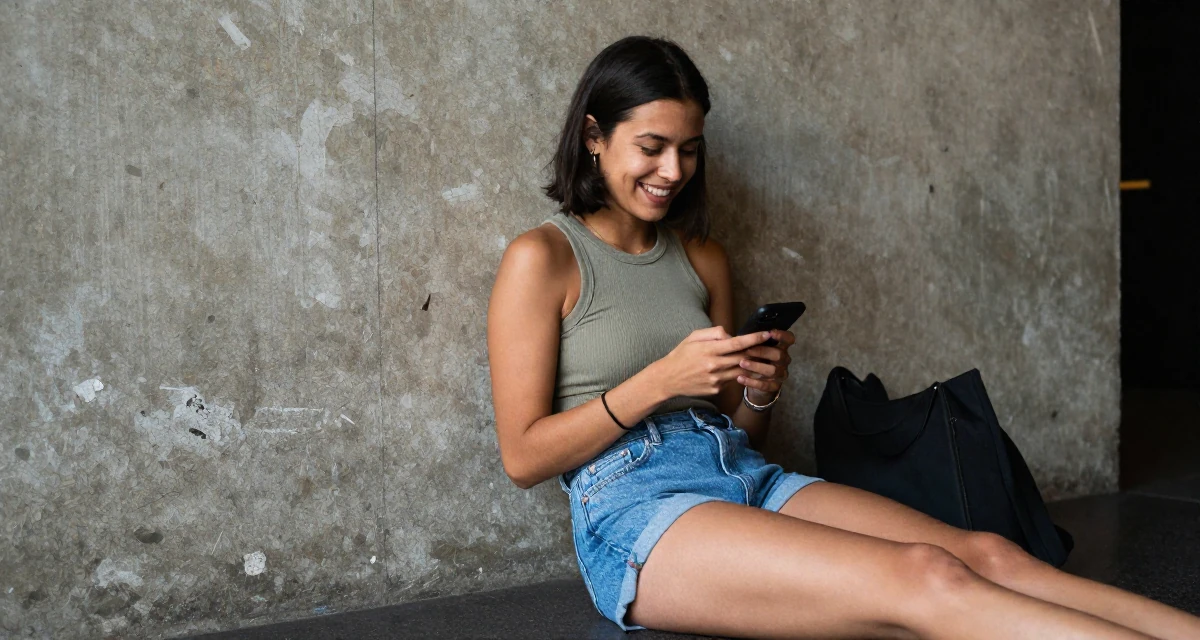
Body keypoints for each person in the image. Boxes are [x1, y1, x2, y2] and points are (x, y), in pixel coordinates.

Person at [486, 35, 1200, 639]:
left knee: (987, 552)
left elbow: (742, 433)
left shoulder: (701, 258)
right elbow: (523, 457)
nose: (673, 172)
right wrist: (656, 384)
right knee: (924, 578)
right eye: (651, 147)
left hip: (738, 472)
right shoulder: (543, 259)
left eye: (689, 150)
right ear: (592, 134)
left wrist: (758, 396)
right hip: (634, 507)